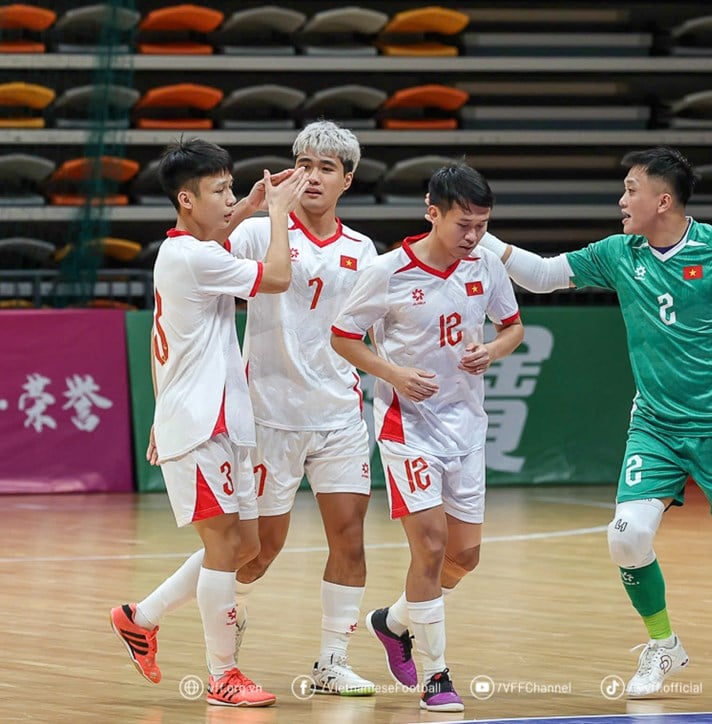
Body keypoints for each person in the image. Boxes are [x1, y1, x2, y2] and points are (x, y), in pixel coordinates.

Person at [476, 146, 712, 700]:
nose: (621, 200)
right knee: (626, 538)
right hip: (654, 425)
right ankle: (663, 646)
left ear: (663, 200)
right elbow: (538, 276)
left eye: (631, 189)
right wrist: (478, 230)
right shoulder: (617, 253)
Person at [109, 138, 307, 707]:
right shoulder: (194, 258)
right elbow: (276, 277)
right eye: (219, 191)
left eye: (229, 187)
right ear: (185, 199)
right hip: (199, 423)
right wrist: (275, 215)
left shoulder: (184, 250)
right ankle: (223, 674)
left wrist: (248, 205)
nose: (228, 199)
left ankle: (139, 618)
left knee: (243, 543)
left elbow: (160, 343)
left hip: (212, 417)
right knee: (225, 543)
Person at [331, 163, 524, 712]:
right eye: (464, 224)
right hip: (406, 426)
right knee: (433, 547)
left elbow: (513, 327)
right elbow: (343, 338)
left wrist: (493, 349)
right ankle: (437, 676)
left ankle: (392, 622)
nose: (473, 236)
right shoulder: (388, 270)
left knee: (465, 557)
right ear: (431, 212)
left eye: (482, 225)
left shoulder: (486, 264)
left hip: (466, 425)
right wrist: (392, 374)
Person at [226, 121, 378, 695]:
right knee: (257, 553)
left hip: (339, 416)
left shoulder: (363, 251)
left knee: (351, 539)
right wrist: (250, 209)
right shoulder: (260, 233)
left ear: (348, 180)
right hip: (268, 416)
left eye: (326, 168)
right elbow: (199, 255)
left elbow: (375, 332)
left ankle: (332, 663)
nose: (312, 177)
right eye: (304, 164)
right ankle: (225, 627)